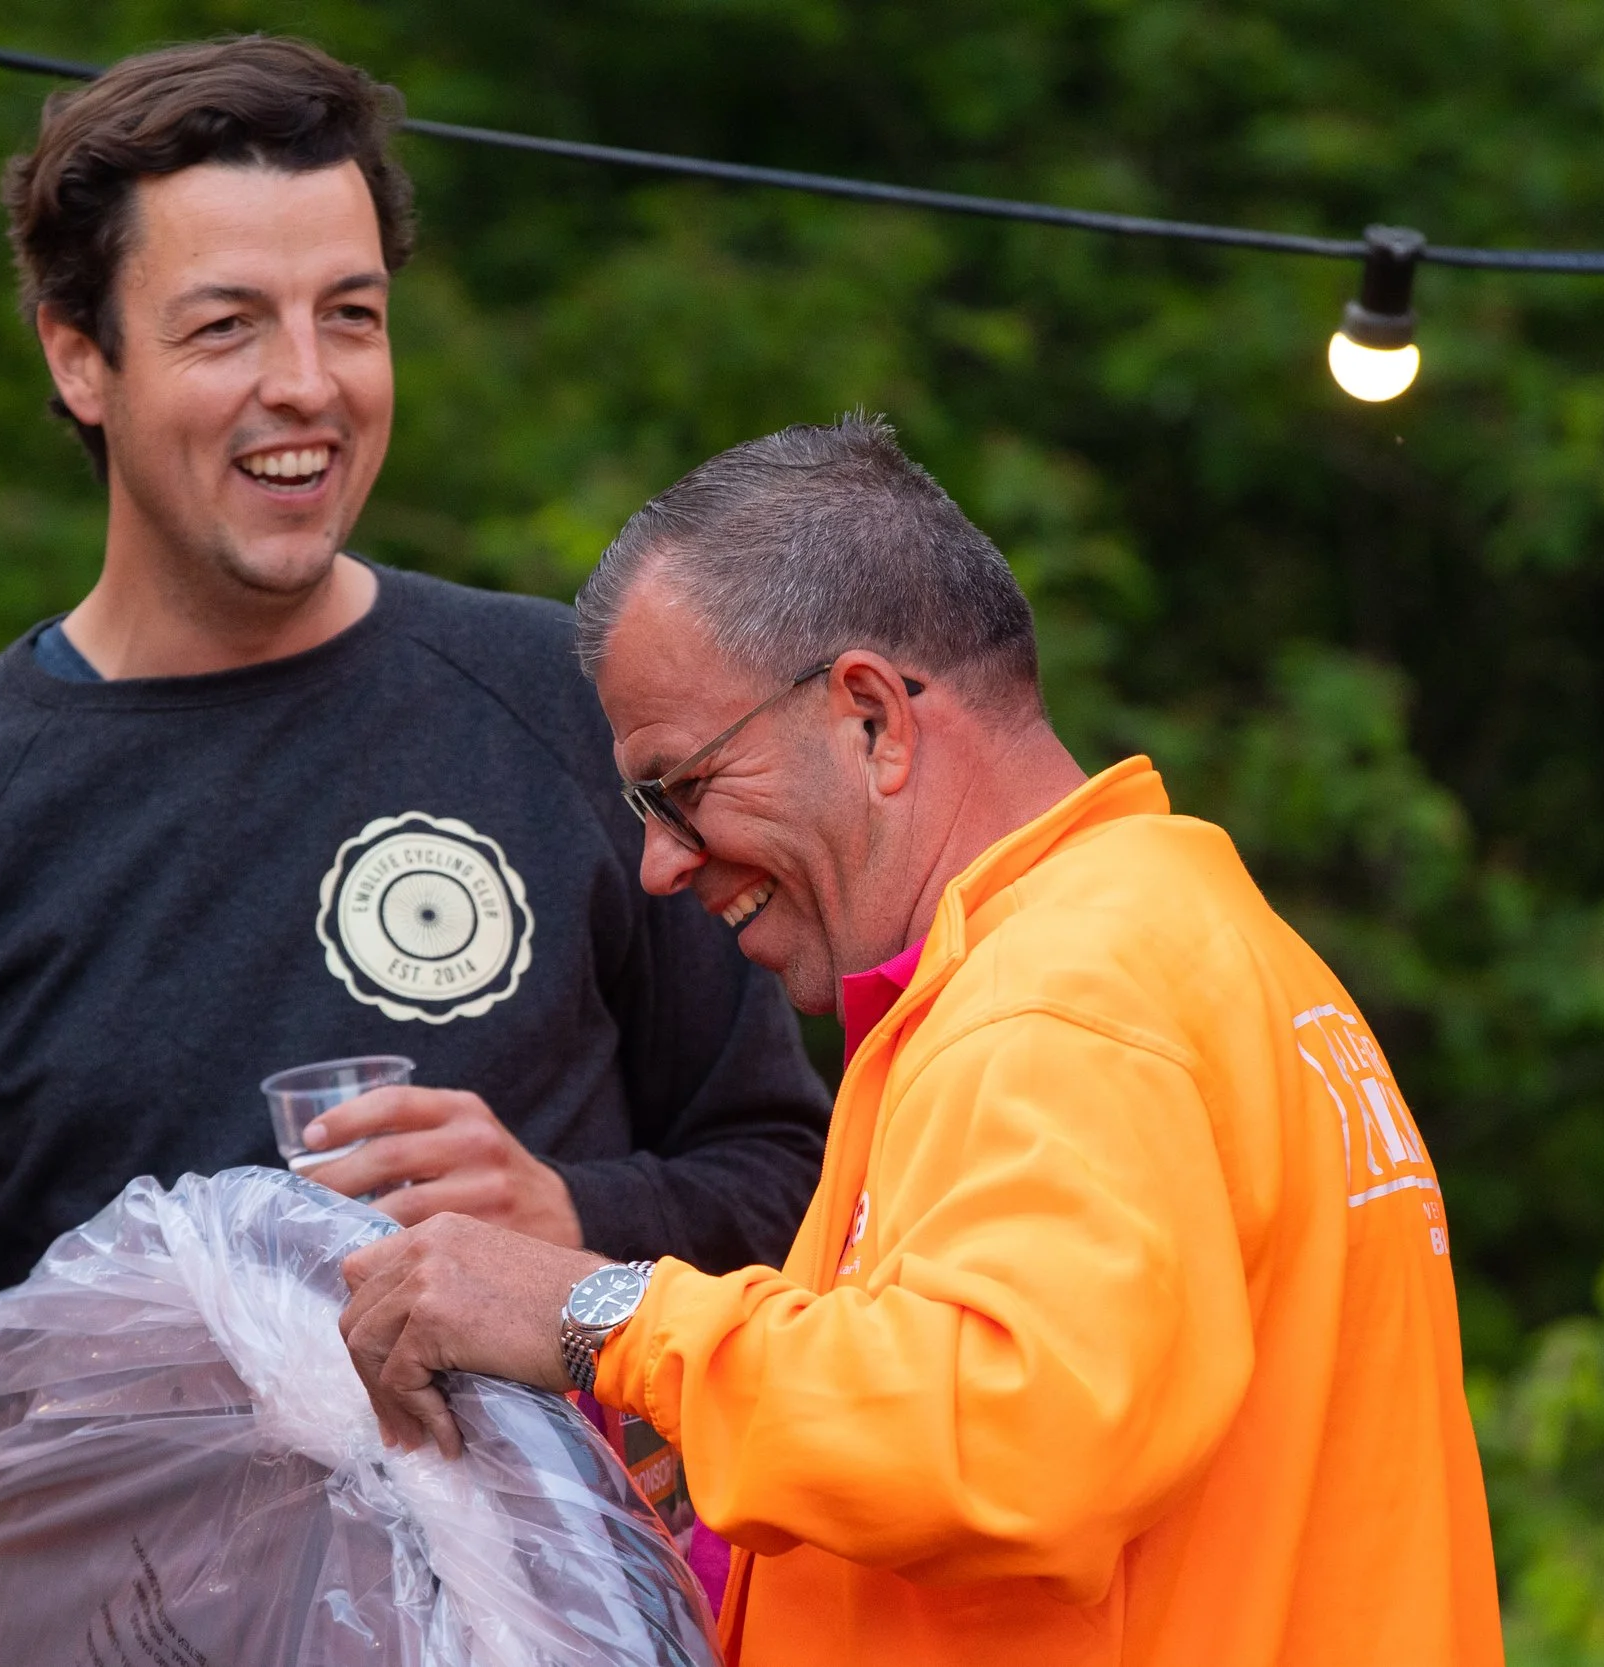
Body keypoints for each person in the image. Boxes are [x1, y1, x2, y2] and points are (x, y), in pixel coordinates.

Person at [0, 39, 832, 1590]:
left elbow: (796, 1190)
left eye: (350, 315)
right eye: (226, 324)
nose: (307, 381)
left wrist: (568, 1213)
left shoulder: (563, 702)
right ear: (79, 359)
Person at [338, 415, 1503, 1666]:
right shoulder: (1184, 941)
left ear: (872, 720)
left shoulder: (1060, 1000)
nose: (660, 863)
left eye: (679, 788)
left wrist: (598, 1314)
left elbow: (1012, 1435)